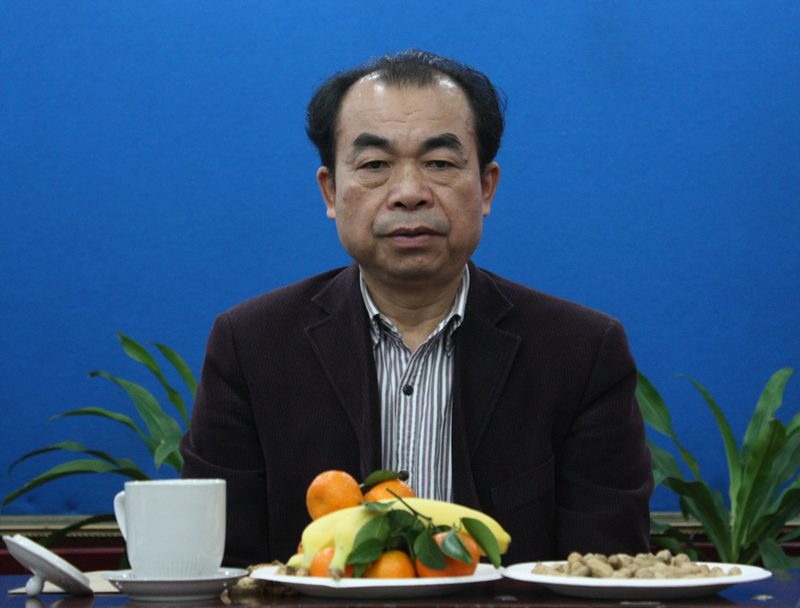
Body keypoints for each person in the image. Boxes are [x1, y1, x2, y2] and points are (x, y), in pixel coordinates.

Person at [180, 50, 653, 567]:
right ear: (331, 192)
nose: (409, 194)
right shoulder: (252, 346)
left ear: (486, 187)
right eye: (375, 166)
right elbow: (223, 570)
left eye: (440, 164)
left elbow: (607, 569)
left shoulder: (580, 353)